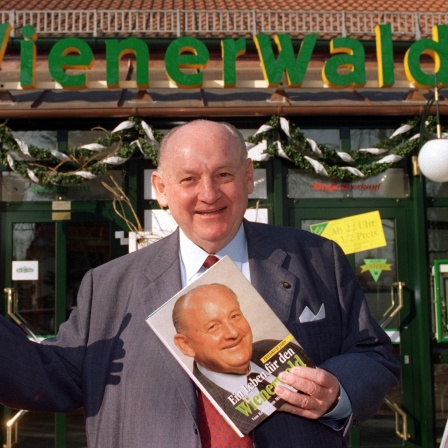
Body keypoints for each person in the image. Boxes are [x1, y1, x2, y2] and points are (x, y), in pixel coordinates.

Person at [0, 119, 400, 448]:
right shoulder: (107, 286)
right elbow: (54, 378)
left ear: (248, 178)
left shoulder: (318, 259)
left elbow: (372, 352)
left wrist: (338, 391)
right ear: (161, 190)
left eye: (223, 175)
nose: (208, 194)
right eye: (189, 179)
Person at [172, 283, 314, 435]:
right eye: (213, 326)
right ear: (186, 345)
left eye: (234, 316)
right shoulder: (190, 400)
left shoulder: (281, 349)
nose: (233, 332)